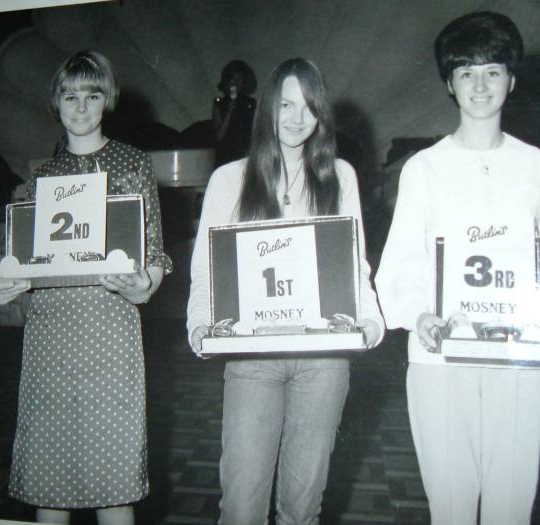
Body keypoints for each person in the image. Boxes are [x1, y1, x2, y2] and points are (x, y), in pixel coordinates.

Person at [375, 12, 540, 525]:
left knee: (511, 506)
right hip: (441, 358)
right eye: (466, 72)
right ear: (450, 83)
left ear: (511, 81)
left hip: (519, 357)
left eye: (492, 70)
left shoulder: (538, 168)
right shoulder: (424, 170)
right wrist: (420, 315)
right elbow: (400, 262)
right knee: (450, 506)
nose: (480, 84)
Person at [187, 57, 384, 524]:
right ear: (267, 109)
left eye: (309, 107)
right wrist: (199, 322)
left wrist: (370, 315)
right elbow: (206, 267)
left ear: (322, 116)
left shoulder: (341, 176)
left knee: (302, 507)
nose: (297, 118)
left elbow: (354, 260)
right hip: (253, 359)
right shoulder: (229, 179)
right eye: (286, 105)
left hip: (323, 360)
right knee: (240, 505)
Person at [0, 50, 171, 525]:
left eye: (92, 94)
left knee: (114, 483)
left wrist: (141, 286)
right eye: (70, 95)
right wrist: (9, 283)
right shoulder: (40, 179)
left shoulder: (132, 164)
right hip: (51, 333)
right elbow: (24, 266)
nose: (81, 106)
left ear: (106, 99)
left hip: (110, 329)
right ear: (57, 101)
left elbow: (156, 255)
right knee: (49, 484)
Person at [212, 59, 257, 167]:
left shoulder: (250, 104)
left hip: (245, 156)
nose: (237, 83)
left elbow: (256, 133)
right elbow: (219, 136)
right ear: (227, 81)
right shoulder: (219, 104)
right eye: (234, 79)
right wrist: (229, 112)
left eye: (240, 79)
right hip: (226, 157)